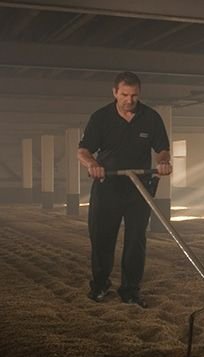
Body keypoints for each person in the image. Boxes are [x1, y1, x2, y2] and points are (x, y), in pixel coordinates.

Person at [77, 71, 172, 308]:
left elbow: (162, 148)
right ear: (114, 93)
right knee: (102, 238)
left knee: (136, 240)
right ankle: (99, 285)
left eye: (134, 95)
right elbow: (83, 150)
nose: (129, 100)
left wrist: (162, 162)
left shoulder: (150, 117)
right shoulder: (101, 118)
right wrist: (93, 164)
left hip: (138, 187)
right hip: (107, 185)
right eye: (124, 95)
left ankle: (130, 290)